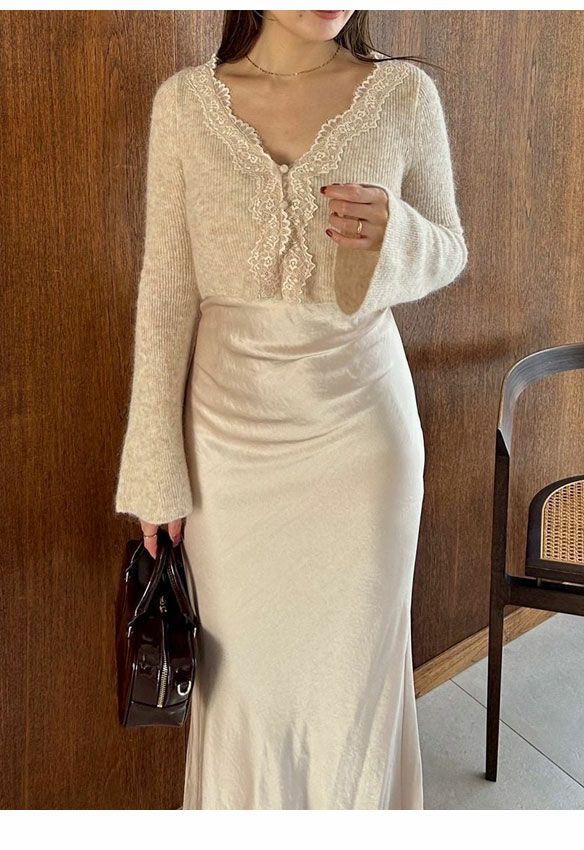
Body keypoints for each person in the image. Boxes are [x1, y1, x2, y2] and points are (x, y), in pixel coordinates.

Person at [114, 10, 468, 809]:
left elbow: (448, 246)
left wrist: (396, 235)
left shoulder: (403, 94)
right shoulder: (184, 105)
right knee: (243, 694)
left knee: (352, 690)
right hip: (229, 447)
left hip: (362, 440)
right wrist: (154, 469)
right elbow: (166, 294)